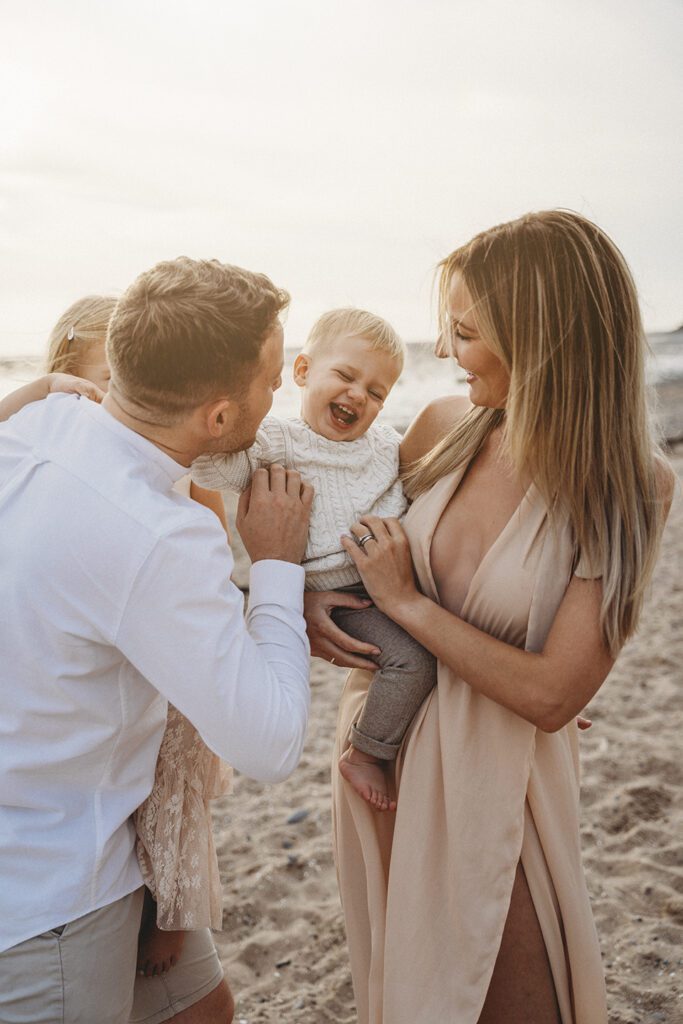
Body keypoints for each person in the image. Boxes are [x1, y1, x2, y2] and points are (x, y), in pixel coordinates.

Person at [305, 211, 675, 1023]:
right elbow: (333, 519)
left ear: (535, 336)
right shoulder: (442, 431)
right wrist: (308, 599)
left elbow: (552, 697)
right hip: (382, 755)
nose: (444, 352)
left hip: (499, 775)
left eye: (465, 333)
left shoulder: (628, 484)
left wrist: (406, 602)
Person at [0, 257, 314, 1024]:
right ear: (215, 417)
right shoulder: (161, 538)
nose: (279, 398)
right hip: (50, 897)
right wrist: (275, 566)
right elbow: (269, 745)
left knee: (201, 1010)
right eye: (272, 381)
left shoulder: (40, 422)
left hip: (96, 841)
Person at [191, 307, 436, 812]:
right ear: (302, 372)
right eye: (345, 376)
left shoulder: (387, 446)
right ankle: (366, 753)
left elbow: (422, 484)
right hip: (341, 596)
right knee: (413, 662)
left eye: (375, 392)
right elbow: (211, 464)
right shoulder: (276, 442)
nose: (357, 396)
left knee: (464, 625)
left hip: (391, 578)